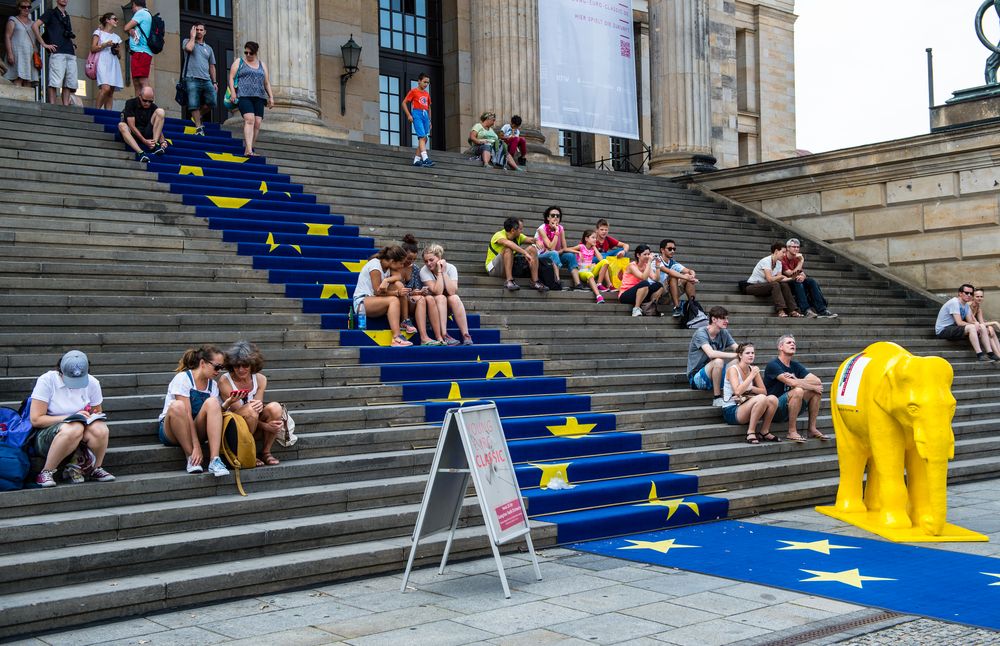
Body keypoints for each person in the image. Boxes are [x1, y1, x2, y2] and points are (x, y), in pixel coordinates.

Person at [28, 350, 115, 487]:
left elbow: (97, 412)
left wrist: (91, 416)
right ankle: (46, 471)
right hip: (48, 436)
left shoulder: (92, 382)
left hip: (80, 434)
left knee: (100, 428)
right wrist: (70, 417)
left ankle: (95, 468)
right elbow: (36, 420)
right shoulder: (47, 380)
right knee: (74, 427)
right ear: (60, 371)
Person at [158, 345, 235, 476]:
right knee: (178, 406)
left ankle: (214, 460)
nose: (218, 371)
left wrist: (227, 404)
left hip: (196, 427)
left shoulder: (213, 385)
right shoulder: (183, 378)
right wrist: (196, 446)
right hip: (172, 430)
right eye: (216, 367)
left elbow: (213, 413)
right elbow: (186, 414)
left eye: (221, 368)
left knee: (213, 402)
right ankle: (191, 458)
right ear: (202, 363)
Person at [218, 341, 284, 467]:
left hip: (254, 423)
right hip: (234, 428)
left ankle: (265, 452)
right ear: (232, 365)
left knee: (275, 407)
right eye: (237, 366)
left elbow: (257, 410)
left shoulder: (260, 379)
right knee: (250, 409)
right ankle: (249, 452)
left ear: (252, 364)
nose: (241, 370)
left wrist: (267, 423)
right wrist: (266, 427)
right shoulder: (224, 381)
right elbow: (240, 413)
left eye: (245, 365)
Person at [763, 334, 826, 443]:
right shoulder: (773, 365)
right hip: (775, 409)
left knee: (815, 392)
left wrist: (796, 378)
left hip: (791, 407)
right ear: (780, 347)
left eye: (794, 343)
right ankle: (791, 431)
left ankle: (812, 429)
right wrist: (809, 386)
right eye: (789, 342)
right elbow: (790, 382)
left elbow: (817, 381)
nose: (793, 344)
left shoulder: (795, 365)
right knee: (799, 390)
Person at [353, 245, 413, 347]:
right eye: (401, 263)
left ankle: (405, 321)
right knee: (394, 300)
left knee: (399, 285)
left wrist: (386, 280)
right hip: (362, 302)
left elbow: (399, 276)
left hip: (375, 300)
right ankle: (396, 337)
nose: (402, 266)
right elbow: (377, 292)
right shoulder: (375, 266)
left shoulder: (388, 265)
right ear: (392, 261)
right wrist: (397, 293)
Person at [722, 343, 780, 443]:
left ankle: (764, 431)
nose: (751, 355)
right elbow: (737, 391)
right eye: (747, 353)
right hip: (731, 410)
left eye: (753, 353)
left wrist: (751, 388)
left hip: (745, 405)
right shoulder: (733, 370)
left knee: (773, 399)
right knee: (761, 398)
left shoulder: (753, 369)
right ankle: (751, 432)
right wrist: (751, 376)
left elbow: (764, 391)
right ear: (740, 355)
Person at [421, 243, 474, 345]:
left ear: (439, 257)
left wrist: (444, 272)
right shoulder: (424, 271)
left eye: (431, 260)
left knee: (454, 298)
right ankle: (444, 335)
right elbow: (437, 291)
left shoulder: (451, 268)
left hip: (448, 304)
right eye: (426, 261)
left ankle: (466, 335)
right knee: (441, 297)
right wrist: (440, 272)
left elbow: (452, 291)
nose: (428, 263)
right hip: (435, 306)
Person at [227, 41, 274, 157]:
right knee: (249, 120)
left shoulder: (262, 65)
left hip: (259, 96)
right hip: (244, 96)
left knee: (257, 123)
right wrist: (233, 92)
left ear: (256, 52)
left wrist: (271, 97)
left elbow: (266, 82)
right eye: (246, 52)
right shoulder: (240, 62)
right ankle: (248, 150)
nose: (248, 55)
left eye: (250, 53)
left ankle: (250, 148)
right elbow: (231, 78)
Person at [686, 306, 738, 406]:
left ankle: (737, 395)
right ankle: (717, 398)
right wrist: (734, 354)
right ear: (714, 319)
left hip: (716, 374)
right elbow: (711, 353)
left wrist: (745, 351)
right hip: (697, 377)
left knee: (738, 361)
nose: (727, 321)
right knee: (718, 361)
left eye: (727, 318)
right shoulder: (701, 333)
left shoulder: (724, 332)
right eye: (723, 318)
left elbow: (737, 348)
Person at [935, 284, 996, 361]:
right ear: (960, 293)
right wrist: (974, 325)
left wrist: (977, 324)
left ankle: (990, 353)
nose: (969, 295)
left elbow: (970, 320)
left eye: (971, 293)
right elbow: (959, 322)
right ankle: (980, 354)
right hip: (943, 330)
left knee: (982, 326)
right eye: (966, 293)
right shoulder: (954, 302)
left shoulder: (966, 305)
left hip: (954, 328)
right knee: (972, 327)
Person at [486, 216, 547, 293]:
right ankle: (509, 281)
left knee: (532, 249)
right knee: (508, 249)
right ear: (513, 230)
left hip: (508, 267)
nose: (522, 231)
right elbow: (508, 243)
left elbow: (531, 239)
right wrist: (524, 253)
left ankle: (535, 282)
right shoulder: (499, 235)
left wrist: (537, 241)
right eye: (520, 229)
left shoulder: (518, 236)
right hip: (494, 269)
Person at [33, 0, 76, 105]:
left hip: (70, 52)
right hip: (57, 52)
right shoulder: (50, 12)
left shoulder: (66, 15)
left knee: (68, 83)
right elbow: (35, 25)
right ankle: (52, 105)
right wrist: (43, 44)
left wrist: (73, 44)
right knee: (54, 81)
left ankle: (65, 106)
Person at [780, 238, 837, 318]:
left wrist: (802, 276)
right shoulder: (783, 259)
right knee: (797, 281)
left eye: (798, 247)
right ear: (788, 248)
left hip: (795, 281)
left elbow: (802, 273)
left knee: (811, 281)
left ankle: (822, 310)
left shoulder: (796, 258)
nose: (796, 249)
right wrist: (801, 262)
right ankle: (806, 310)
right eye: (794, 247)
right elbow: (790, 274)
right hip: (786, 283)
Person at [745, 242, 801, 318]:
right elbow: (770, 279)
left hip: (766, 287)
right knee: (774, 284)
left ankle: (792, 310)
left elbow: (780, 279)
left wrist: (792, 278)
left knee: (783, 284)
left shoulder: (779, 263)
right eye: (783, 252)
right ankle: (780, 310)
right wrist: (781, 277)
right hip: (752, 286)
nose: (784, 255)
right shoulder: (766, 261)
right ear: (776, 251)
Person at [181, 22, 217, 135]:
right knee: (193, 103)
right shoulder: (187, 41)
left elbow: (212, 66)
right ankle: (198, 127)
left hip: (206, 79)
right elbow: (189, 49)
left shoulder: (209, 48)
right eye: (197, 29)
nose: (199, 32)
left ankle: (198, 115)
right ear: (193, 30)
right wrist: (192, 37)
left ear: (205, 32)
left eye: (201, 30)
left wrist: (214, 82)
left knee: (212, 101)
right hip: (191, 77)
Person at [117, 86, 167, 163]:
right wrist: (144, 141)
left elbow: (158, 125)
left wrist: (162, 141)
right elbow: (131, 126)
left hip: (147, 132)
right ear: (140, 96)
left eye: (150, 101)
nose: (147, 103)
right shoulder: (131, 103)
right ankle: (140, 153)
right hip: (133, 134)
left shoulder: (153, 107)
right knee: (121, 125)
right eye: (145, 100)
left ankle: (155, 145)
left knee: (160, 111)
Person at [390, 233, 424, 342]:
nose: (411, 262)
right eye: (409, 258)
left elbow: (416, 287)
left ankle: (424, 335)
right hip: (395, 298)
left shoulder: (415, 269)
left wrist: (417, 292)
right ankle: (405, 320)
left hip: (409, 300)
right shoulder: (394, 266)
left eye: (414, 259)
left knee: (423, 298)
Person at [534, 207, 578, 289]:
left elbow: (564, 248)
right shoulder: (541, 229)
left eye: (557, 216)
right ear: (548, 218)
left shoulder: (561, 228)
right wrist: (556, 232)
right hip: (541, 256)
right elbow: (551, 247)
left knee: (570, 256)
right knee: (554, 253)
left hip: (555, 254)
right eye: (553, 215)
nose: (555, 218)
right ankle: (557, 280)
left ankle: (577, 283)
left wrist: (578, 252)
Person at [654, 239, 699, 318]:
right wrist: (686, 277)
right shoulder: (656, 260)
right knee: (673, 276)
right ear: (662, 250)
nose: (672, 251)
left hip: (669, 294)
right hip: (658, 294)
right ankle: (677, 307)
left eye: (674, 249)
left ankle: (693, 306)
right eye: (670, 249)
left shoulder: (673, 262)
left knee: (688, 279)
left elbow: (688, 270)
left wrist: (692, 275)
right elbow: (669, 272)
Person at [618, 245, 663, 317]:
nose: (647, 256)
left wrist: (657, 266)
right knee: (645, 283)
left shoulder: (646, 265)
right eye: (645, 254)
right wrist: (649, 263)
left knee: (658, 285)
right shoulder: (631, 266)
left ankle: (649, 306)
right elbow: (643, 278)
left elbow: (656, 278)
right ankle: (636, 308)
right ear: (638, 255)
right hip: (626, 295)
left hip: (641, 293)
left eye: (648, 254)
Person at [90, 13, 122, 111]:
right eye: (114, 19)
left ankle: (108, 113)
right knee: (105, 88)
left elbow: (120, 56)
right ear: (107, 20)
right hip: (102, 61)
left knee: (111, 91)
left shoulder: (116, 37)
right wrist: (105, 45)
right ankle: (97, 111)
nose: (116, 21)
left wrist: (116, 51)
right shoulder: (98, 32)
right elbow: (93, 48)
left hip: (113, 63)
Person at [3, 2, 39, 88]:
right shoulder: (13, 20)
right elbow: (7, 36)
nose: (26, 9)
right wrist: (10, 53)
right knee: (18, 78)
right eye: (23, 7)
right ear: (19, 8)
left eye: (28, 7)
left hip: (30, 54)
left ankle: (28, 101)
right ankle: (17, 100)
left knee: (28, 80)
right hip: (17, 52)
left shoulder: (34, 23)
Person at [402, 72, 434, 167]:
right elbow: (404, 103)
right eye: (424, 82)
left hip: (425, 116)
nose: (426, 84)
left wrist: (429, 120)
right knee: (422, 136)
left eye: (428, 83)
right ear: (419, 81)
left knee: (425, 138)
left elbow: (429, 107)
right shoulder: (413, 91)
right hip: (417, 114)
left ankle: (416, 159)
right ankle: (425, 158)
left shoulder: (427, 94)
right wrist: (409, 115)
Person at [122, 0, 153, 95]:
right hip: (140, 52)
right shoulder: (147, 14)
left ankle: (146, 103)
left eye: (132, 7)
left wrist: (130, 29)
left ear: (134, 5)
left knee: (142, 81)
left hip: (141, 52)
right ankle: (138, 105)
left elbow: (126, 27)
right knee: (136, 81)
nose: (132, 9)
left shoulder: (141, 13)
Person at [571, 229, 606, 303]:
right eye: (593, 237)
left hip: (590, 270)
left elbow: (601, 259)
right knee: (589, 274)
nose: (595, 239)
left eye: (595, 238)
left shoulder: (593, 249)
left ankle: (599, 283)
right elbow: (566, 249)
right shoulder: (581, 247)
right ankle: (598, 296)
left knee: (605, 261)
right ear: (586, 239)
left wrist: (594, 247)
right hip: (582, 272)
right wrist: (578, 252)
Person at [593, 219, 629, 290]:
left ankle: (619, 280)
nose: (604, 232)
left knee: (621, 251)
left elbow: (626, 245)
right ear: (597, 230)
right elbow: (581, 247)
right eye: (602, 229)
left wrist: (624, 251)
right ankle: (609, 284)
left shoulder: (608, 239)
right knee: (604, 259)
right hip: (594, 258)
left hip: (605, 257)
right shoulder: (592, 238)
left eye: (606, 230)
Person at [972, 288, 1000, 360]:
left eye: (981, 296)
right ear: (973, 297)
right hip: (969, 330)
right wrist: (993, 323)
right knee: (988, 332)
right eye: (977, 296)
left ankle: (998, 354)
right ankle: (997, 355)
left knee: (991, 329)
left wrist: (995, 323)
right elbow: (973, 322)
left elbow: (982, 323)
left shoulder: (978, 308)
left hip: (977, 327)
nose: (980, 298)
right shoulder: (968, 306)